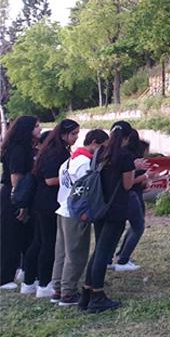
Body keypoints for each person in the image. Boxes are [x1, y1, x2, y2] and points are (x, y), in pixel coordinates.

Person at [80, 121, 148, 313]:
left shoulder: (100, 152)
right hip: (116, 208)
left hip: (99, 206)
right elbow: (127, 185)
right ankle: (97, 296)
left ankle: (86, 293)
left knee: (98, 250)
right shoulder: (125, 156)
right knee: (104, 252)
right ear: (127, 138)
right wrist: (136, 170)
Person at [21, 119, 80, 299]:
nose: (76, 137)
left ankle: (30, 281)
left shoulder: (52, 149)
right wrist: (74, 178)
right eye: (74, 134)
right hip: (48, 203)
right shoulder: (56, 152)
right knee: (48, 244)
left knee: (39, 242)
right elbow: (50, 179)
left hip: (42, 202)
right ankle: (44, 283)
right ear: (63, 134)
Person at [51, 129, 109, 306]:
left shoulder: (70, 160)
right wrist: (86, 212)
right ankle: (68, 293)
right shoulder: (85, 163)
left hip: (63, 209)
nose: (104, 151)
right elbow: (86, 190)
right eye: (103, 147)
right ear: (94, 143)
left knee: (61, 253)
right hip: (76, 213)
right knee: (76, 254)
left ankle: (58, 288)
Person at [0, 116, 41, 290]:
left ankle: (25, 269)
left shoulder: (28, 148)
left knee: (26, 235)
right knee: (11, 237)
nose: (40, 129)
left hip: (23, 195)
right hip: (14, 196)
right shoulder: (17, 150)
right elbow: (16, 179)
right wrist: (21, 204)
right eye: (36, 126)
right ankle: (4, 277)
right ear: (27, 129)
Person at [113, 132, 152, 271]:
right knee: (138, 226)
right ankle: (123, 259)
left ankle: (120, 255)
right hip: (131, 196)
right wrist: (146, 176)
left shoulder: (116, 154)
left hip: (132, 195)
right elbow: (129, 183)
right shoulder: (130, 158)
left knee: (133, 226)